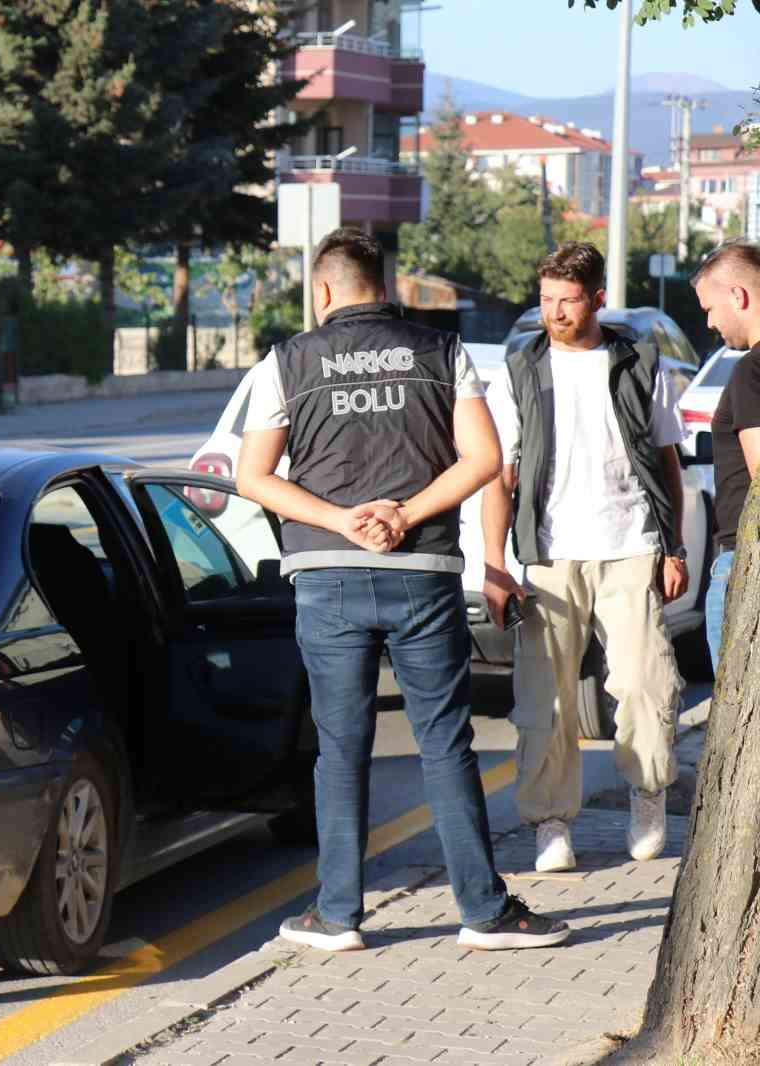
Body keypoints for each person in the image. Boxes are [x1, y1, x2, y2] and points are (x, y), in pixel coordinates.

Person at [236, 228, 569, 953]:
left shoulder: (285, 362)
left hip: (327, 577)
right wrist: (406, 515)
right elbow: (483, 458)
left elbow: (252, 477)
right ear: (385, 285)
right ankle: (483, 912)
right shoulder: (442, 352)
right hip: (421, 576)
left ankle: (336, 914)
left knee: (341, 747)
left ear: (322, 291)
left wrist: (342, 522)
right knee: (446, 743)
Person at [482, 242, 686, 875]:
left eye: (567, 299)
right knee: (544, 700)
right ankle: (551, 822)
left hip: (631, 546)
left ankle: (648, 795)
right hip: (550, 555)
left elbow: (668, 462)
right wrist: (495, 564)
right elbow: (500, 477)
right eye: (545, 299)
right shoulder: (518, 371)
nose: (554, 312)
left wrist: (673, 545)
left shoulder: (639, 364)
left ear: (597, 297)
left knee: (646, 684)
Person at [691, 241, 760, 674]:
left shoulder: (752, 370)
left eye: (710, 309)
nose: (711, 323)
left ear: (739, 296)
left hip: (747, 561)